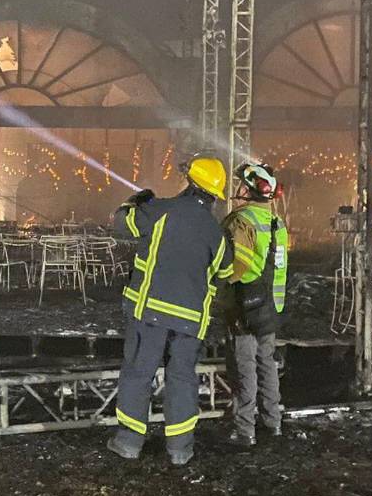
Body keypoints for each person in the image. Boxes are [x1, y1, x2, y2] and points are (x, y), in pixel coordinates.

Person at [107, 156, 234, 466]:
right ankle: (179, 449)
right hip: (190, 322)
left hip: (149, 313)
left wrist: (133, 203)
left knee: (139, 373)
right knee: (182, 379)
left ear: (189, 183)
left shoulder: (160, 210)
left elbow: (121, 224)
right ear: (214, 195)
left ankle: (129, 442)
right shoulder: (215, 232)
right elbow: (226, 270)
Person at [221, 161, 289, 445]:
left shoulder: (242, 220)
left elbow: (239, 264)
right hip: (272, 306)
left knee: (244, 367)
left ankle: (245, 429)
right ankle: (273, 423)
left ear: (250, 190)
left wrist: (215, 284)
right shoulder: (277, 223)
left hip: (244, 305)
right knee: (268, 364)